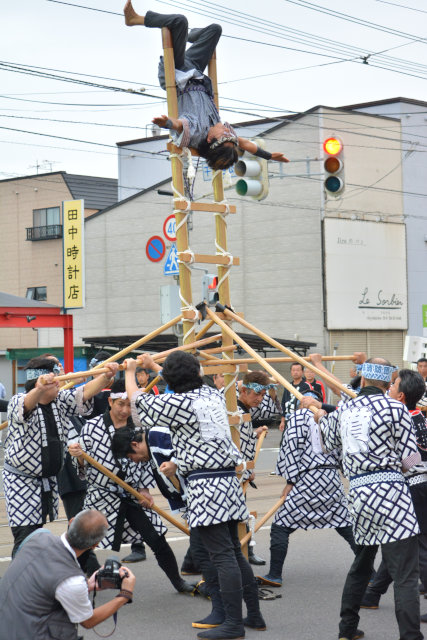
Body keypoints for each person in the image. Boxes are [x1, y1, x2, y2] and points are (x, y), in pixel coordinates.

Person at [125, 350, 265, 640]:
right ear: (198, 374)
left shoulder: (178, 401)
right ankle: (253, 614)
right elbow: (185, 383)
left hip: (206, 485)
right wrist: (155, 366)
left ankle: (233, 623)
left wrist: (129, 371)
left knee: (223, 557)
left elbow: (137, 400)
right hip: (226, 480)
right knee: (233, 554)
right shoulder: (210, 395)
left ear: (171, 380)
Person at [317, 358, 423, 640]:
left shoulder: (343, 409)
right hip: (391, 493)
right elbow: (411, 458)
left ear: (362, 379)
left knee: (362, 564)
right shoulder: (396, 408)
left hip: (360, 494)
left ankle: (347, 629)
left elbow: (327, 445)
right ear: (389, 383)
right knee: (405, 576)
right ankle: (411, 636)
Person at [124, 1, 289, 171]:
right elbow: (246, 144)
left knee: (179, 21)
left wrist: (167, 123)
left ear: (210, 139)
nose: (227, 131)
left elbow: (179, 125)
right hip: (194, 72)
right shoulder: (222, 133)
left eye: (224, 135)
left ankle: (135, 19)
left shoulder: (197, 133)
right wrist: (268, 156)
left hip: (177, 75)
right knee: (215, 30)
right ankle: (190, 37)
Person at [69, 379, 193, 594]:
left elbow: (147, 462)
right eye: (120, 404)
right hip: (102, 494)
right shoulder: (91, 427)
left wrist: (144, 490)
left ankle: (178, 582)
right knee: (85, 540)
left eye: (129, 405)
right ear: (110, 401)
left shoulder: (139, 425)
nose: (125, 410)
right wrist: (78, 457)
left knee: (157, 538)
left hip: (133, 492)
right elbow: (81, 464)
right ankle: (86, 579)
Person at [4, 356, 118, 557]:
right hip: (22, 482)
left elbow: (83, 393)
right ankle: (19, 585)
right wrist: (39, 388)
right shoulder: (18, 401)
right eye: (55, 381)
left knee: (38, 535)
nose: (60, 385)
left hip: (47, 480)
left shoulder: (61, 400)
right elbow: (27, 404)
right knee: (26, 537)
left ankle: (39, 582)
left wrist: (105, 376)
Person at [258, 389, 357, 591]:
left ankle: (275, 574)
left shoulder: (297, 417)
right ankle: (369, 573)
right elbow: (342, 446)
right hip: (331, 479)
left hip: (307, 478)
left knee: (281, 525)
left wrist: (290, 480)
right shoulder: (330, 416)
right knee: (345, 524)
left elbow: (291, 448)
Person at [0, 509, 136, 640]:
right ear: (95, 545)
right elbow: (88, 621)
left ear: (71, 522)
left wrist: (87, 586)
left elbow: (40, 583)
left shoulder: (38, 536)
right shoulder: (72, 579)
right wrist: (125, 595)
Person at [360, 369, 427, 615]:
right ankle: (372, 594)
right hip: (419, 485)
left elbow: (410, 459)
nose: (388, 387)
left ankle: (372, 593)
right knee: (399, 541)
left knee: (417, 546)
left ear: (400, 396)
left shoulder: (400, 417)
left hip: (414, 485)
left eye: (393, 385)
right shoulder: (416, 414)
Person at [279, 363, 311, 431]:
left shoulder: (306, 386)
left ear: (302, 372)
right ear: (291, 372)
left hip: (300, 419)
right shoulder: (288, 385)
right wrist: (282, 421)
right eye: (293, 370)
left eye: (298, 370)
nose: (295, 372)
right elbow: (283, 402)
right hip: (288, 418)